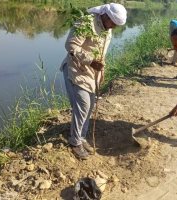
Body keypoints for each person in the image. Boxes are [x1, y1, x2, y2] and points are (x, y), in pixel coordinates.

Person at [60, 3, 127, 160]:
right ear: (105, 16)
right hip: (76, 69)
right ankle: (75, 142)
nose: (114, 27)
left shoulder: (107, 29)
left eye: (117, 25)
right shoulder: (85, 23)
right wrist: (90, 61)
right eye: (113, 23)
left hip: (92, 72)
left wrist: (100, 72)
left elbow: (101, 53)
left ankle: (82, 138)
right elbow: (70, 45)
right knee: (83, 105)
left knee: (89, 107)